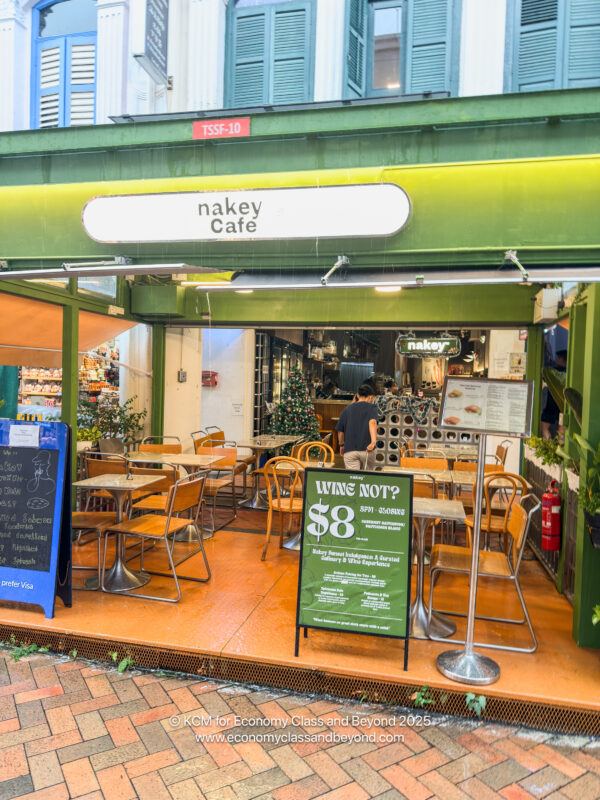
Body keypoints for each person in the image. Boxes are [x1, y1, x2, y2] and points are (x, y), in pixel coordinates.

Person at [336, 383, 379, 470]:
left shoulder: (347, 409)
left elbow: (340, 431)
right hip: (367, 450)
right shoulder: (372, 408)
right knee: (367, 479)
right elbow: (372, 422)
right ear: (371, 397)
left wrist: (341, 445)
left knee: (353, 478)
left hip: (350, 450)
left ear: (358, 395)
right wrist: (373, 442)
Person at [541, 349, 567, 440]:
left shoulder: (553, 371)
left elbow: (544, 378)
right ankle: (560, 450)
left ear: (561, 359)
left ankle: (548, 448)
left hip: (551, 404)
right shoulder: (571, 373)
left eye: (558, 358)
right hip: (564, 405)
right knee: (562, 429)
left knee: (544, 428)